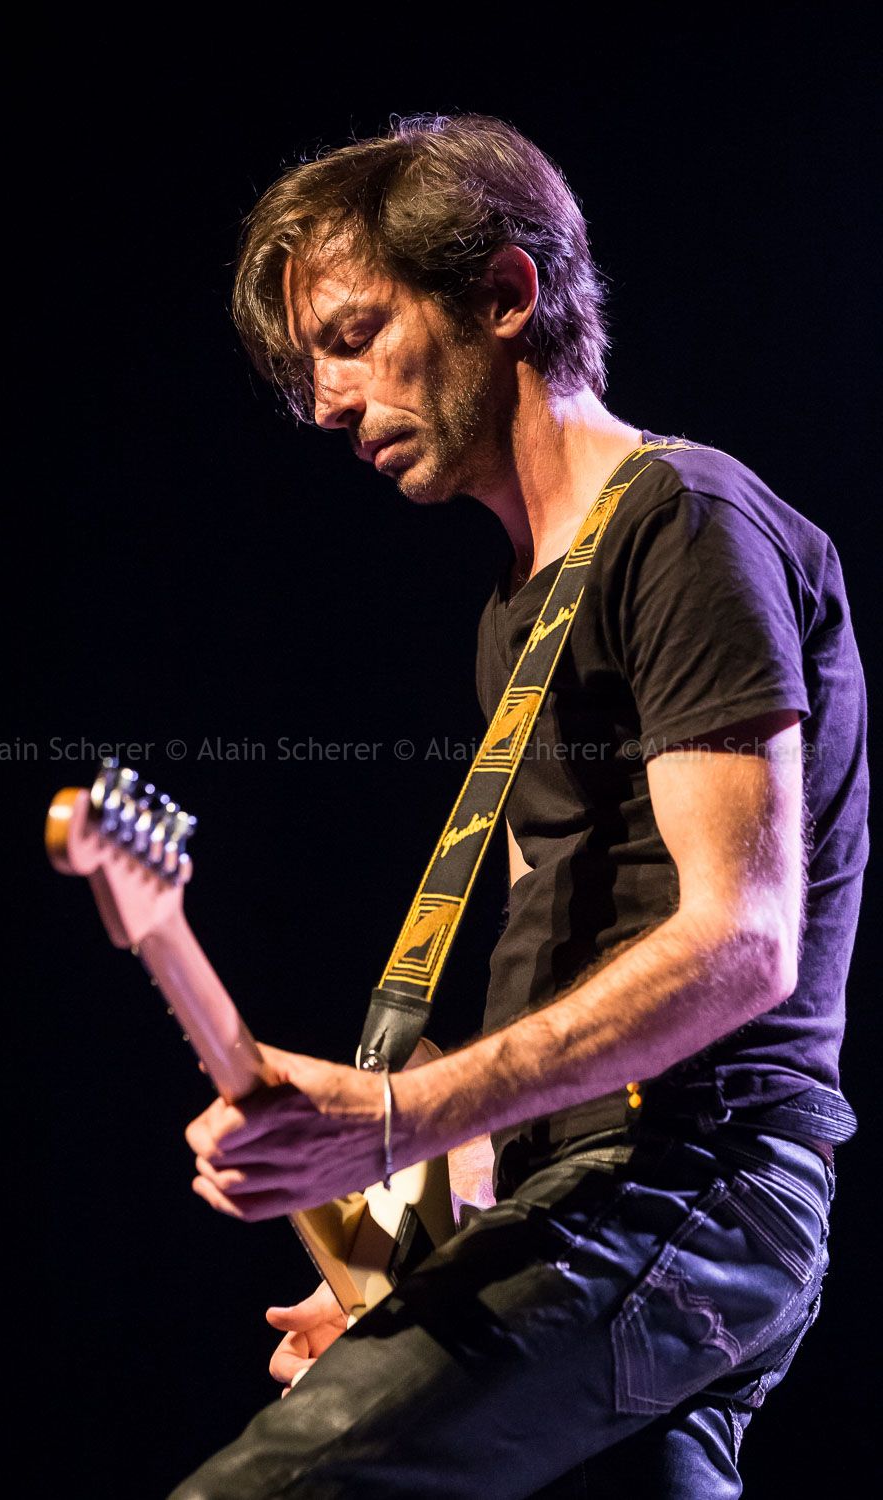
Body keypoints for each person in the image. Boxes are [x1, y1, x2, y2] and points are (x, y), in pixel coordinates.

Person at [168, 114, 867, 1497]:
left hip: (690, 1182)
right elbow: (564, 971)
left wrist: (402, 1111)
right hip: (593, 1195)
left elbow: (743, 941)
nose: (329, 403)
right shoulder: (517, 613)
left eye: (356, 335)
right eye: (314, 366)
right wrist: (420, 1282)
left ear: (504, 293)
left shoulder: (686, 521)